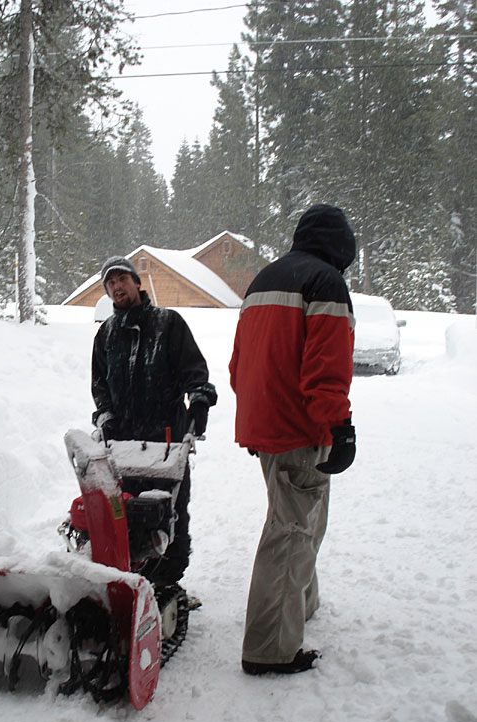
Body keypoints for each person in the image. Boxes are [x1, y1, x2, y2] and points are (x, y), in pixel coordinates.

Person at [229, 204, 357, 675]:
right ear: (340, 245)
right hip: (300, 429)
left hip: (267, 426)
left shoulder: (263, 280)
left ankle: (300, 605)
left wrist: (257, 417)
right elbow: (326, 369)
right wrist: (340, 427)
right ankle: (269, 650)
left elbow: (238, 364)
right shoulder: (326, 283)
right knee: (290, 534)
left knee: (303, 522)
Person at [91, 256, 217, 583]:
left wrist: (199, 399)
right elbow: (99, 384)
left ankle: (169, 581)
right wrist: (105, 415)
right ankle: (130, 579)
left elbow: (194, 369)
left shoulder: (168, 323)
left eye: (122, 279)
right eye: (110, 283)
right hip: (123, 443)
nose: (117, 286)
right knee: (124, 512)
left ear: (137, 282)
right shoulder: (106, 334)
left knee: (168, 511)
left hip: (166, 440)